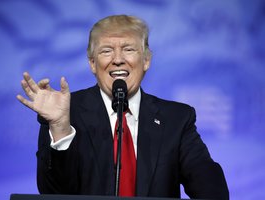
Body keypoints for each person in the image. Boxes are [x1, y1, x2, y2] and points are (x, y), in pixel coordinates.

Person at [17, 15, 229, 199]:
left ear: (146, 60)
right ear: (92, 63)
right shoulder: (64, 112)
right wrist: (60, 127)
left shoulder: (177, 119)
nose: (118, 60)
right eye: (107, 51)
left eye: (128, 49)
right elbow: (53, 194)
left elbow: (208, 184)